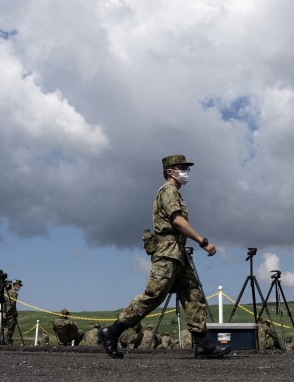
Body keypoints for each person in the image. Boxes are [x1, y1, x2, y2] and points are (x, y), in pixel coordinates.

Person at [98, 154, 231, 359]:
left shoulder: (174, 192)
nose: (186, 172)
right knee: (154, 295)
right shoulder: (168, 191)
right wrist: (202, 241)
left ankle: (203, 345)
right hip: (167, 253)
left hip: (178, 254)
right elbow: (177, 221)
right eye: (182, 167)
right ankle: (112, 331)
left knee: (193, 294)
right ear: (170, 171)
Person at [3, 279, 21, 343]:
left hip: (11, 313)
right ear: (14, 285)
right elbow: (8, 304)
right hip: (9, 313)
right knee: (8, 329)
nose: (19, 287)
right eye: (17, 285)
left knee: (10, 329)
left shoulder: (13, 293)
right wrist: (5, 312)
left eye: (19, 286)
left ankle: (7, 341)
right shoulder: (11, 293)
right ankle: (6, 341)